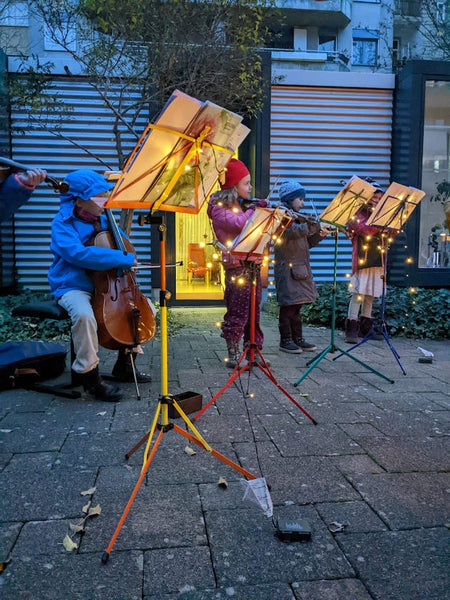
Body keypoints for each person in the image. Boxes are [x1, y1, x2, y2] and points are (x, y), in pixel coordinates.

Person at [48, 169, 152, 402]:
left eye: (105, 194)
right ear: (78, 199)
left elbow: (118, 247)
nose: (105, 201)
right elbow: (79, 254)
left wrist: (125, 260)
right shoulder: (62, 225)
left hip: (107, 285)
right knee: (84, 315)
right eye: (98, 196)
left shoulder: (105, 219)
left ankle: (125, 364)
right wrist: (122, 259)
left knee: (143, 311)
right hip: (73, 285)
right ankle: (90, 376)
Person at [207, 158, 269, 368]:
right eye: (246, 183)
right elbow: (240, 224)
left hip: (253, 266)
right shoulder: (219, 209)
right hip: (237, 269)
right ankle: (233, 354)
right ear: (233, 186)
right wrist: (255, 211)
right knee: (238, 312)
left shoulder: (244, 207)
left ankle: (253, 350)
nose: (250, 187)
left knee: (255, 313)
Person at [274, 180, 327, 354]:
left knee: (297, 306)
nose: (303, 203)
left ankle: (298, 338)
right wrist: (309, 226)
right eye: (300, 199)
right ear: (289, 199)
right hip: (287, 269)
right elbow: (289, 233)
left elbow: (306, 243)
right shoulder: (281, 216)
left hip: (301, 269)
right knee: (288, 306)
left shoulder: (298, 220)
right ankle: (285, 340)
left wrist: (319, 235)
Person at [344, 182, 386, 344]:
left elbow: (392, 232)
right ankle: (351, 329)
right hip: (363, 258)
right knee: (358, 294)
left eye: (379, 198)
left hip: (378, 257)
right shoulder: (358, 212)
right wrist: (380, 221)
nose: (376, 200)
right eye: (374, 197)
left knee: (371, 295)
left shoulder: (382, 213)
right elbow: (365, 229)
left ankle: (365, 328)